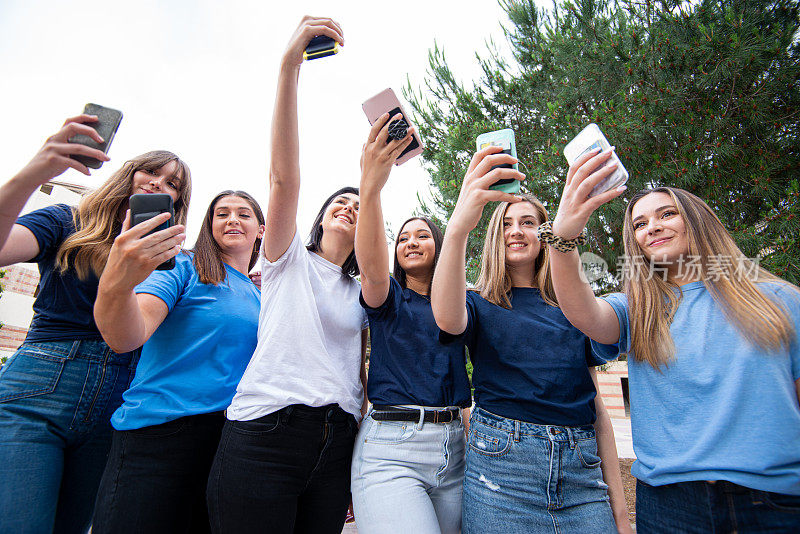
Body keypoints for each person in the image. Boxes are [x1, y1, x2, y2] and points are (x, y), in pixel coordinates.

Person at [546, 146, 800, 533]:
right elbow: (582, 311)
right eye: (639, 223)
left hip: (775, 501)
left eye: (667, 214)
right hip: (670, 505)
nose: (653, 227)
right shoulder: (636, 309)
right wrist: (564, 236)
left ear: (698, 222)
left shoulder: (779, 300)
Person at [206, 17, 368, 534]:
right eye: (340, 202)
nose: (350, 207)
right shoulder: (286, 258)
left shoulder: (367, 290)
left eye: (361, 206)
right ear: (319, 218)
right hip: (267, 430)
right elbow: (283, 177)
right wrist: (289, 68)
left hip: (338, 438)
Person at [0, 114, 191, 533]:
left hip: (118, 400)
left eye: (173, 183)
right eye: (152, 172)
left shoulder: (171, 261)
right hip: (41, 384)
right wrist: (37, 169)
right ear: (130, 174)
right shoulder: (68, 220)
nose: (160, 183)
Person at [431, 145, 631, 534]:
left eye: (527, 222)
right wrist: (458, 226)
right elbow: (447, 319)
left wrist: (621, 513)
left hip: (582, 476)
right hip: (501, 475)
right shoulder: (477, 302)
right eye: (506, 223)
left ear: (546, 235)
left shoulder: (575, 308)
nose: (516, 231)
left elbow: (599, 415)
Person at [90, 190, 264, 533]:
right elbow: (127, 336)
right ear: (208, 225)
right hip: (159, 436)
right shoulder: (183, 267)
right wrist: (119, 279)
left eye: (243, 214)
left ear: (261, 229)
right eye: (221, 213)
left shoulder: (263, 296)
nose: (232, 220)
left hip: (225, 445)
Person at [350, 114, 471, 534]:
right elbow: (369, 266)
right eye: (403, 238)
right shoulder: (388, 299)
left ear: (440, 245)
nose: (412, 242)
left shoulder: (461, 304)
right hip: (391, 445)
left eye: (422, 235)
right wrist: (372, 186)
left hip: (455, 449)